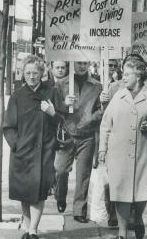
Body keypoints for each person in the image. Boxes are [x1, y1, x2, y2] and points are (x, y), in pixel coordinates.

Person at [99, 58, 147, 239]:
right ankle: (122, 234)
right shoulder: (118, 96)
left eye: (126, 74)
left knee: (141, 193)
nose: (123, 78)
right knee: (120, 192)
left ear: (138, 76)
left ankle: (138, 217)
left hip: (143, 154)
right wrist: (102, 150)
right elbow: (105, 125)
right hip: (118, 154)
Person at [3, 55, 61, 239]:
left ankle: (33, 230)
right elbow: (8, 126)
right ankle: (28, 229)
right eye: (27, 72)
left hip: (44, 151)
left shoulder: (51, 92)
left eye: (35, 72)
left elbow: (63, 122)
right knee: (24, 192)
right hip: (22, 153)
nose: (31, 76)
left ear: (42, 73)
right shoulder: (17, 96)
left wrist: (52, 113)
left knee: (39, 192)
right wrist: (17, 145)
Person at [54, 61, 103, 223]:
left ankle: (79, 210)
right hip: (66, 133)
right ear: (73, 63)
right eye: (79, 63)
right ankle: (60, 196)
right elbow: (54, 107)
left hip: (87, 135)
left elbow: (100, 109)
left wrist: (93, 116)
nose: (82, 66)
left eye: (85, 63)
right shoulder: (61, 83)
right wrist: (64, 104)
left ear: (89, 64)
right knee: (60, 170)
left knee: (83, 174)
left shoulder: (96, 85)